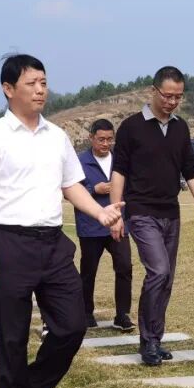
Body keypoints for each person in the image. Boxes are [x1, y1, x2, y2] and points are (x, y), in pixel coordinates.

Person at [0, 54, 123, 388]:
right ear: (8, 89)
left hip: (52, 244)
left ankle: (35, 384)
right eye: (31, 83)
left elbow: (71, 186)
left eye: (44, 82)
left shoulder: (56, 137)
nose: (40, 90)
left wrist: (100, 213)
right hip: (8, 243)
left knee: (72, 325)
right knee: (12, 336)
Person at [109, 66, 194, 366]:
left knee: (167, 278)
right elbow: (119, 172)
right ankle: (147, 341)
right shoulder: (131, 127)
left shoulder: (181, 128)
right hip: (141, 211)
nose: (172, 102)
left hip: (171, 212)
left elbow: (190, 169)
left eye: (178, 97)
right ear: (153, 91)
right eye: (167, 96)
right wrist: (116, 213)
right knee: (158, 271)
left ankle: (155, 337)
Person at [75, 119, 134, 331]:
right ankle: (86, 313)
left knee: (125, 267)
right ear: (91, 138)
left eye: (110, 139)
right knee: (88, 271)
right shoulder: (79, 161)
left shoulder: (121, 159)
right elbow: (70, 189)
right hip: (90, 226)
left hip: (117, 223)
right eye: (101, 139)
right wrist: (94, 189)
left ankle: (122, 314)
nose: (106, 143)